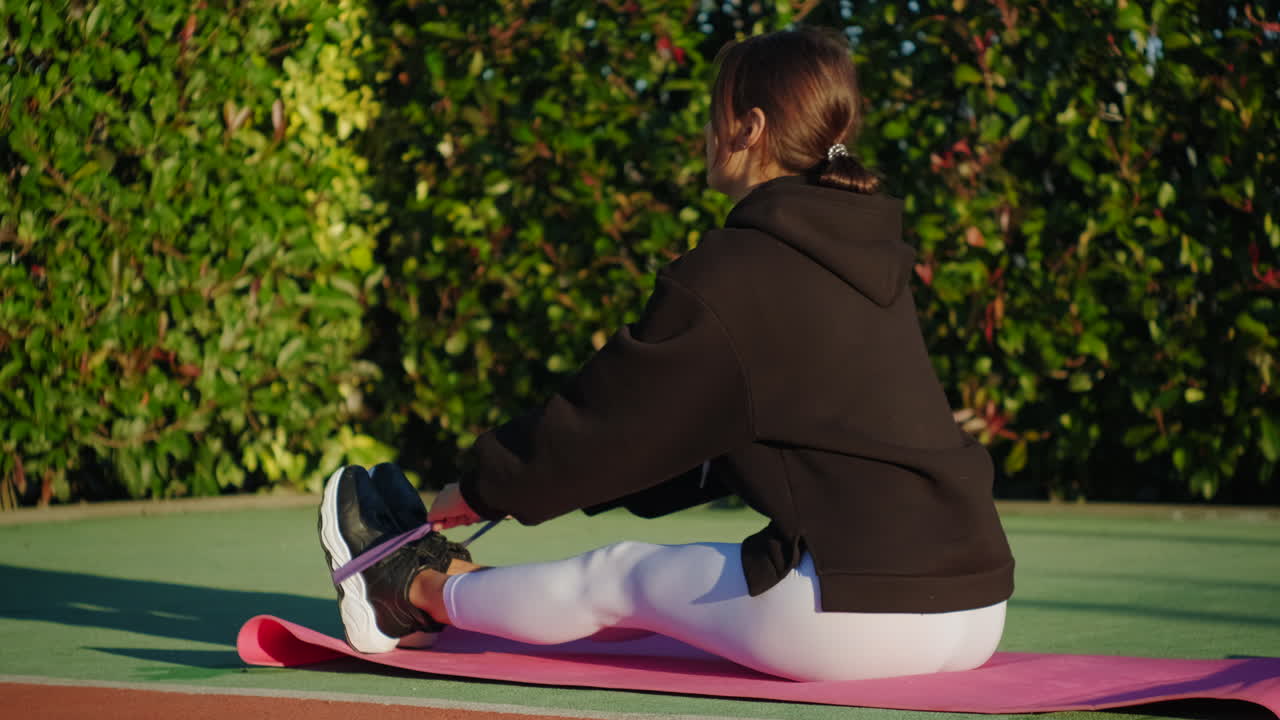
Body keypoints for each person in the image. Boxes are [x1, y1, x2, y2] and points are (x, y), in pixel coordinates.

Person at [319, 27, 1015, 683]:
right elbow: (695, 442)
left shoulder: (738, 271)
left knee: (621, 578)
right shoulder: (869, 264)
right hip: (978, 606)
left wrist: (473, 490)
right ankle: (451, 583)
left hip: (860, 613)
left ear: (751, 128)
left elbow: (607, 424)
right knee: (662, 602)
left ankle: (411, 590)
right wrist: (511, 489)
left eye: (717, 113)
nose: (708, 133)